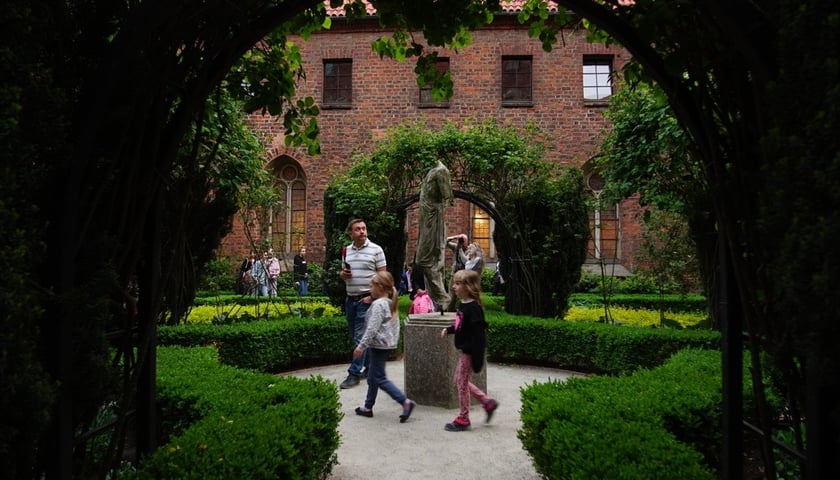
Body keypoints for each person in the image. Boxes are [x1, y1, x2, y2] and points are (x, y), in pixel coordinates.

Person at [352, 271, 416, 422]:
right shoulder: (388, 302)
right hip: (385, 344)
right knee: (373, 377)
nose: (369, 289)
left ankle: (404, 402)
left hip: (378, 345)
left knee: (379, 378)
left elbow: (372, 328)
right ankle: (368, 407)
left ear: (379, 287)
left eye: (371, 286)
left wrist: (361, 346)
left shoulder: (378, 305)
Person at [439, 269, 499, 431]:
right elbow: (461, 325)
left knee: (461, 383)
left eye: (458, 284)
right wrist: (450, 329)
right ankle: (487, 402)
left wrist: (476, 355)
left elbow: (479, 335)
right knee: (459, 380)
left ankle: (464, 418)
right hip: (466, 350)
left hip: (470, 351)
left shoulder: (473, 308)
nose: (454, 287)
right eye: (454, 283)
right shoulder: (463, 305)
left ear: (469, 287)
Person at [339, 218, 387, 389]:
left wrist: (373, 298)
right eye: (358, 229)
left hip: (367, 299)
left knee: (360, 337)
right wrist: (342, 275)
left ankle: (354, 374)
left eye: (364, 228)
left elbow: (384, 278)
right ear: (351, 233)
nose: (362, 231)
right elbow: (343, 271)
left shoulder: (376, 250)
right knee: (356, 336)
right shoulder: (346, 251)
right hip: (350, 299)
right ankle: (370, 367)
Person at [415, 160, 454, 310]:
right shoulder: (431, 170)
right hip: (426, 220)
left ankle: (442, 297)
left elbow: (447, 196)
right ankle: (437, 302)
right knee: (428, 261)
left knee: (422, 259)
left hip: (433, 220)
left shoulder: (441, 171)